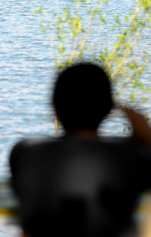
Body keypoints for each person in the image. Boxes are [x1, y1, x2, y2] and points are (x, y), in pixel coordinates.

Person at [10, 62, 151, 237]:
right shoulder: (130, 159)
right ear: (107, 110)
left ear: (54, 107)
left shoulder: (26, 153)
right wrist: (137, 122)